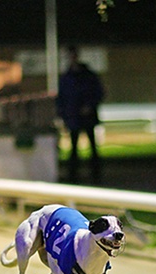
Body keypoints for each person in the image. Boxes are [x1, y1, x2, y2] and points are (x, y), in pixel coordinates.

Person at [57, 46, 104, 184]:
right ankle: (73, 177)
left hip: (86, 116)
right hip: (74, 117)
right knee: (74, 148)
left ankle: (96, 176)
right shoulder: (67, 77)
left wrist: (89, 106)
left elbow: (98, 93)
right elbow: (62, 98)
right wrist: (64, 115)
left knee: (92, 148)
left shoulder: (87, 75)